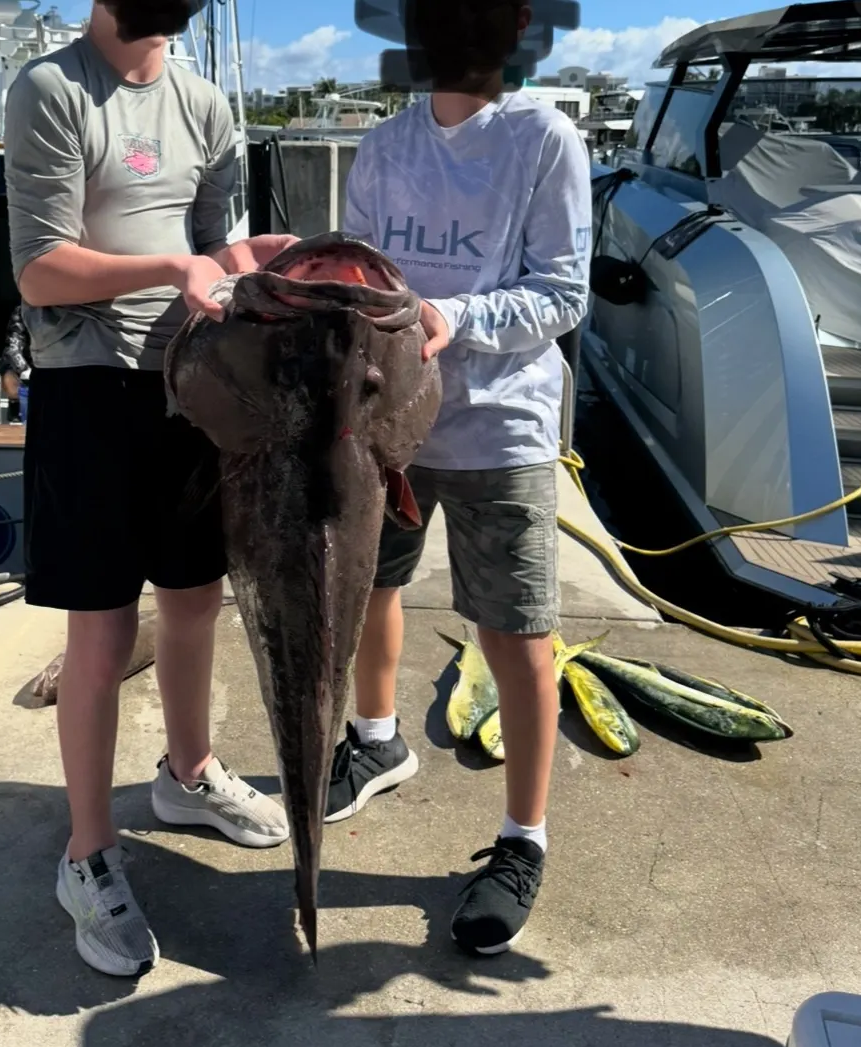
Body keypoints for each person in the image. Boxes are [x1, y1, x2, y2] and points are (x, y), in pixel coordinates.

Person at [4, 0, 299, 979]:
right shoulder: (52, 89)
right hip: (88, 387)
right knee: (101, 631)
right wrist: (175, 265)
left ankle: (188, 771)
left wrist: (256, 264)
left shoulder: (206, 105)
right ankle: (87, 854)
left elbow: (215, 250)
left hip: (191, 386)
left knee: (195, 599)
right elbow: (41, 271)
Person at [327, 0, 592, 955]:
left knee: (517, 633)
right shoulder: (381, 147)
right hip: (390, 427)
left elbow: (562, 293)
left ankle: (523, 839)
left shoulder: (545, 139)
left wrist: (453, 317)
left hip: (502, 429)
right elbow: (356, 277)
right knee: (370, 589)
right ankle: (374, 740)